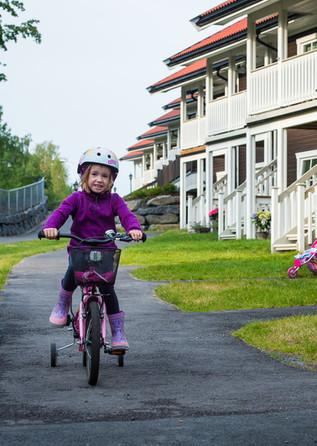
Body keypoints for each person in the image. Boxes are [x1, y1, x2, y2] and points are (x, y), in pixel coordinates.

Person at [42, 147, 143, 350]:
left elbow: (127, 216)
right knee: (72, 274)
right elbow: (61, 213)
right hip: (80, 250)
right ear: (84, 176)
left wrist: (134, 229)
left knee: (107, 290)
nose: (99, 179)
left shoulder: (114, 200)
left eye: (105, 176)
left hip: (105, 252)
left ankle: (118, 333)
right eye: (94, 174)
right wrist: (50, 227)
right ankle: (62, 304)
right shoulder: (76, 199)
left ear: (112, 179)